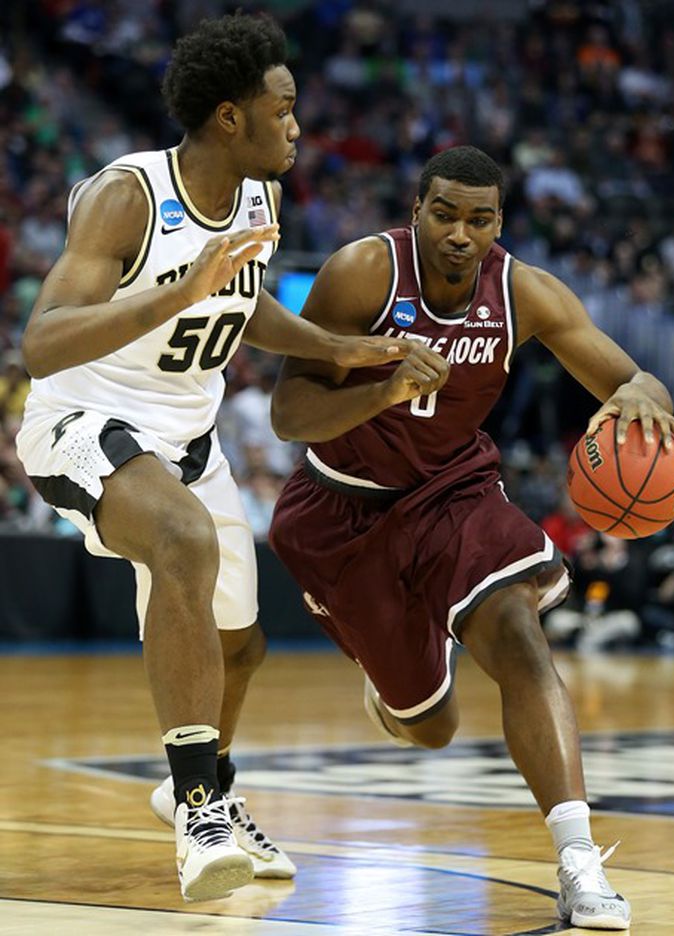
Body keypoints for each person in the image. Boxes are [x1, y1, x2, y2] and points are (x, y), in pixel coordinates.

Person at [15, 11, 411, 903]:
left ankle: (198, 787)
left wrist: (331, 347)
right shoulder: (127, 196)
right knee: (185, 543)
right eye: (284, 108)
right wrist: (171, 292)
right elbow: (43, 344)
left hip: (187, 439)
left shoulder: (259, 196)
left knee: (241, 649)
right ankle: (200, 812)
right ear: (229, 117)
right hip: (85, 418)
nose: (298, 126)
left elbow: (242, 299)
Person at [269, 145, 674, 930]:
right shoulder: (361, 273)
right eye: (446, 214)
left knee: (521, 636)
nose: (462, 233)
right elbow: (289, 418)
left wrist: (644, 400)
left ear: (499, 222)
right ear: (417, 210)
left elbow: (628, 376)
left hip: (454, 492)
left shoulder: (521, 289)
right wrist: (387, 384)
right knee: (430, 728)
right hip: (340, 509)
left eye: (480, 218)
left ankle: (578, 861)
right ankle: (399, 669)